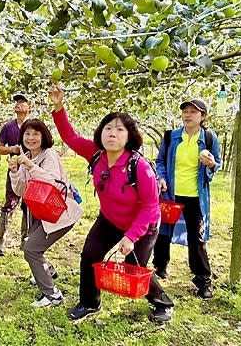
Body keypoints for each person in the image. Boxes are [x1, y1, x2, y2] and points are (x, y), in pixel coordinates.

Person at [49, 85, 174, 322]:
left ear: (129, 136)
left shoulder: (140, 167)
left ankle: (163, 303)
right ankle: (89, 303)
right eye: (108, 128)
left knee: (133, 265)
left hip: (142, 224)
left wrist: (130, 237)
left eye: (119, 129)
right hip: (110, 219)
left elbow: (150, 207)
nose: (112, 133)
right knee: (90, 255)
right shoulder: (96, 154)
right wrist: (59, 107)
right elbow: (70, 137)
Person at [9, 119, 83, 307]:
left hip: (59, 212)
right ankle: (47, 270)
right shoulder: (27, 158)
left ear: (44, 136)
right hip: (40, 212)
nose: (31, 138)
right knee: (31, 246)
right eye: (27, 134)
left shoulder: (49, 155)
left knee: (32, 249)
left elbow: (52, 182)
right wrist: (15, 172)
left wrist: (30, 166)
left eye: (35, 134)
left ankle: (53, 295)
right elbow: (20, 191)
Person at [152, 99, 220, 299]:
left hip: (195, 197)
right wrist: (162, 178)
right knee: (163, 232)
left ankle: (203, 280)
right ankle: (160, 266)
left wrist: (211, 164)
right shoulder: (170, 137)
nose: (188, 115)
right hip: (171, 194)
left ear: (203, 117)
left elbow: (217, 164)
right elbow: (160, 161)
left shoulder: (208, 139)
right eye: (185, 111)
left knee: (196, 238)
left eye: (193, 112)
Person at [0, 92, 31, 256]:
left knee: (29, 206)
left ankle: (26, 242)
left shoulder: (35, 126)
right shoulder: (8, 127)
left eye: (22, 102)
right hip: (14, 170)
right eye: (17, 102)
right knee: (10, 204)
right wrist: (12, 149)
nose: (18, 104)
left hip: (31, 171)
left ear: (30, 107)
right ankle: (0, 243)